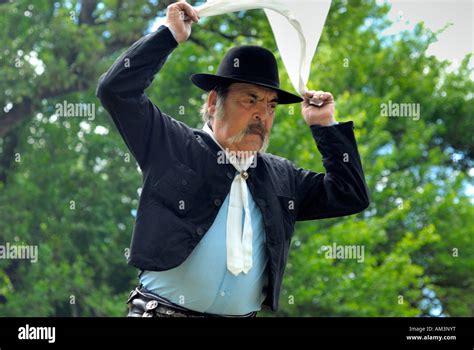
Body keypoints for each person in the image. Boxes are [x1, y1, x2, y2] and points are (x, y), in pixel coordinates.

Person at [96, 1, 369, 318]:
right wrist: (168, 35)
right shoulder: (171, 144)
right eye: (250, 99)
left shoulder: (282, 177)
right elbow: (116, 89)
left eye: (270, 106)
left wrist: (325, 127)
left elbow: (350, 194)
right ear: (213, 102)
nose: (261, 115)